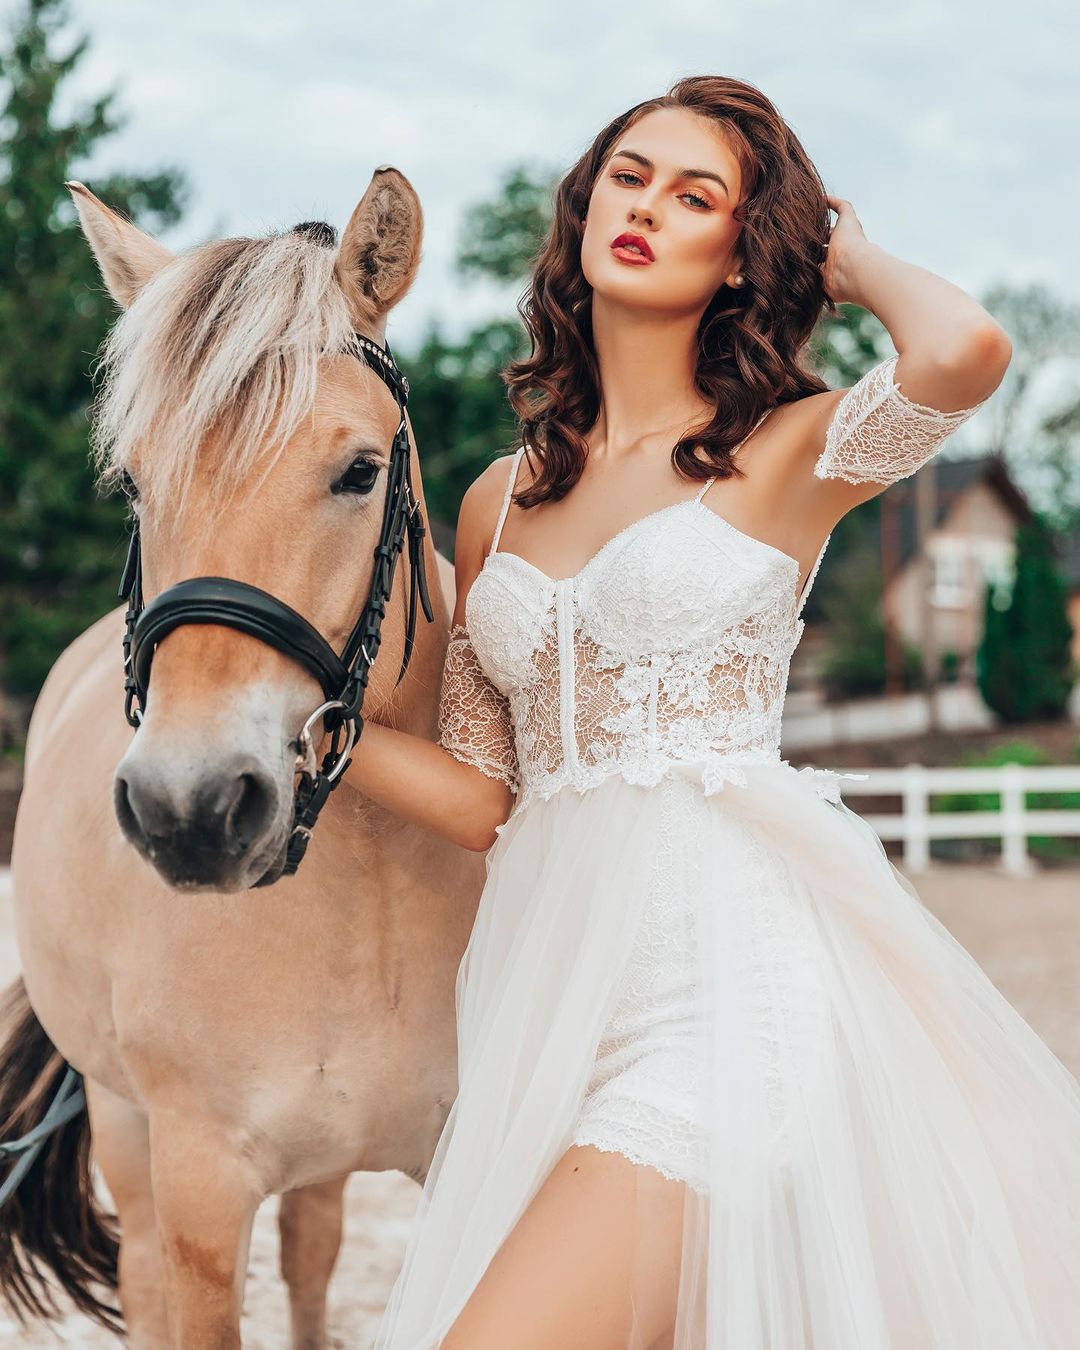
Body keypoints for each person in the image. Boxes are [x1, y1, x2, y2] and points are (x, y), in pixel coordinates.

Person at [352, 75, 1080, 1349]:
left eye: (698, 198)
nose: (646, 207)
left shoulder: (792, 451)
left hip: (730, 998)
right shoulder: (496, 501)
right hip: (554, 1015)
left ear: (742, 255)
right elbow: (481, 795)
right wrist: (324, 735)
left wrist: (844, 256)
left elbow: (964, 354)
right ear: (584, 208)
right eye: (628, 175)